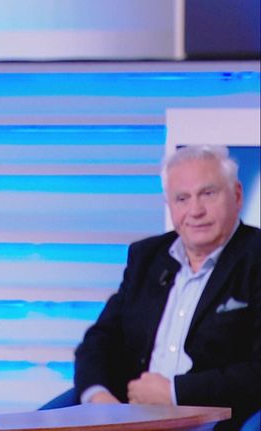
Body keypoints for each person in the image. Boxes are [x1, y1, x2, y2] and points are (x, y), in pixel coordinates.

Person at [70, 145, 260, 430]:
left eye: (208, 194)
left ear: (237, 194)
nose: (195, 211)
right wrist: (99, 398)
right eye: (182, 198)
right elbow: (99, 340)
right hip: (130, 417)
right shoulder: (147, 257)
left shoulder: (255, 258)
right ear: (169, 205)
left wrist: (174, 393)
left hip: (214, 421)